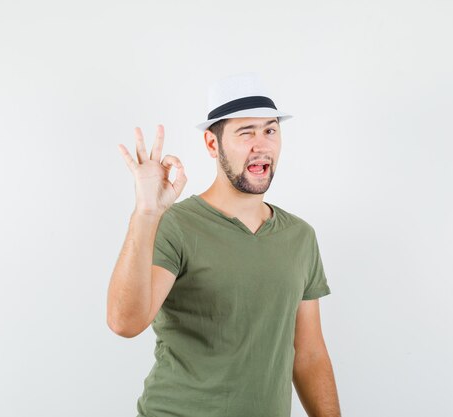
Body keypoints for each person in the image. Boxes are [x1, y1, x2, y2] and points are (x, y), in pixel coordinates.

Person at [107, 72, 341, 417]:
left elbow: (309, 353)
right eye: (246, 132)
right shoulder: (175, 224)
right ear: (212, 144)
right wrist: (145, 213)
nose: (261, 144)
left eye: (270, 130)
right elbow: (125, 323)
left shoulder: (300, 237)